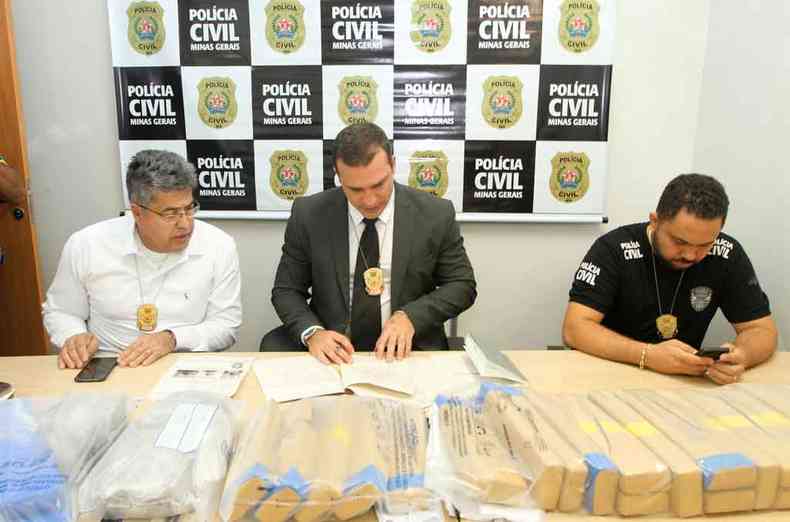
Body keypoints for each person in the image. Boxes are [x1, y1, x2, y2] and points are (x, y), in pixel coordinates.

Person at [272, 122, 476, 364]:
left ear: (393, 164)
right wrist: (313, 333)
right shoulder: (309, 214)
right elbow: (286, 290)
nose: (369, 200)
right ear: (338, 177)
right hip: (334, 351)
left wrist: (411, 317)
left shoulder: (434, 214)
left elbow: (462, 285)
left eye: (379, 184)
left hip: (408, 350)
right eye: (355, 189)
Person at [562, 173, 777, 385]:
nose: (691, 255)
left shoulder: (727, 253)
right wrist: (647, 355)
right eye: (679, 241)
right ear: (655, 221)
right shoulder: (612, 249)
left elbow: (762, 330)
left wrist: (741, 356)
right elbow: (575, 329)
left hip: (682, 383)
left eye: (705, 245)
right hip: (609, 373)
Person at [43, 150, 242, 369]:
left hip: (184, 364)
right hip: (107, 364)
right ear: (137, 212)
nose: (185, 224)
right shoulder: (87, 244)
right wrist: (74, 336)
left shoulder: (218, 245)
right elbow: (62, 310)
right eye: (170, 213)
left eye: (189, 208)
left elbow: (225, 326)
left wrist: (172, 338)